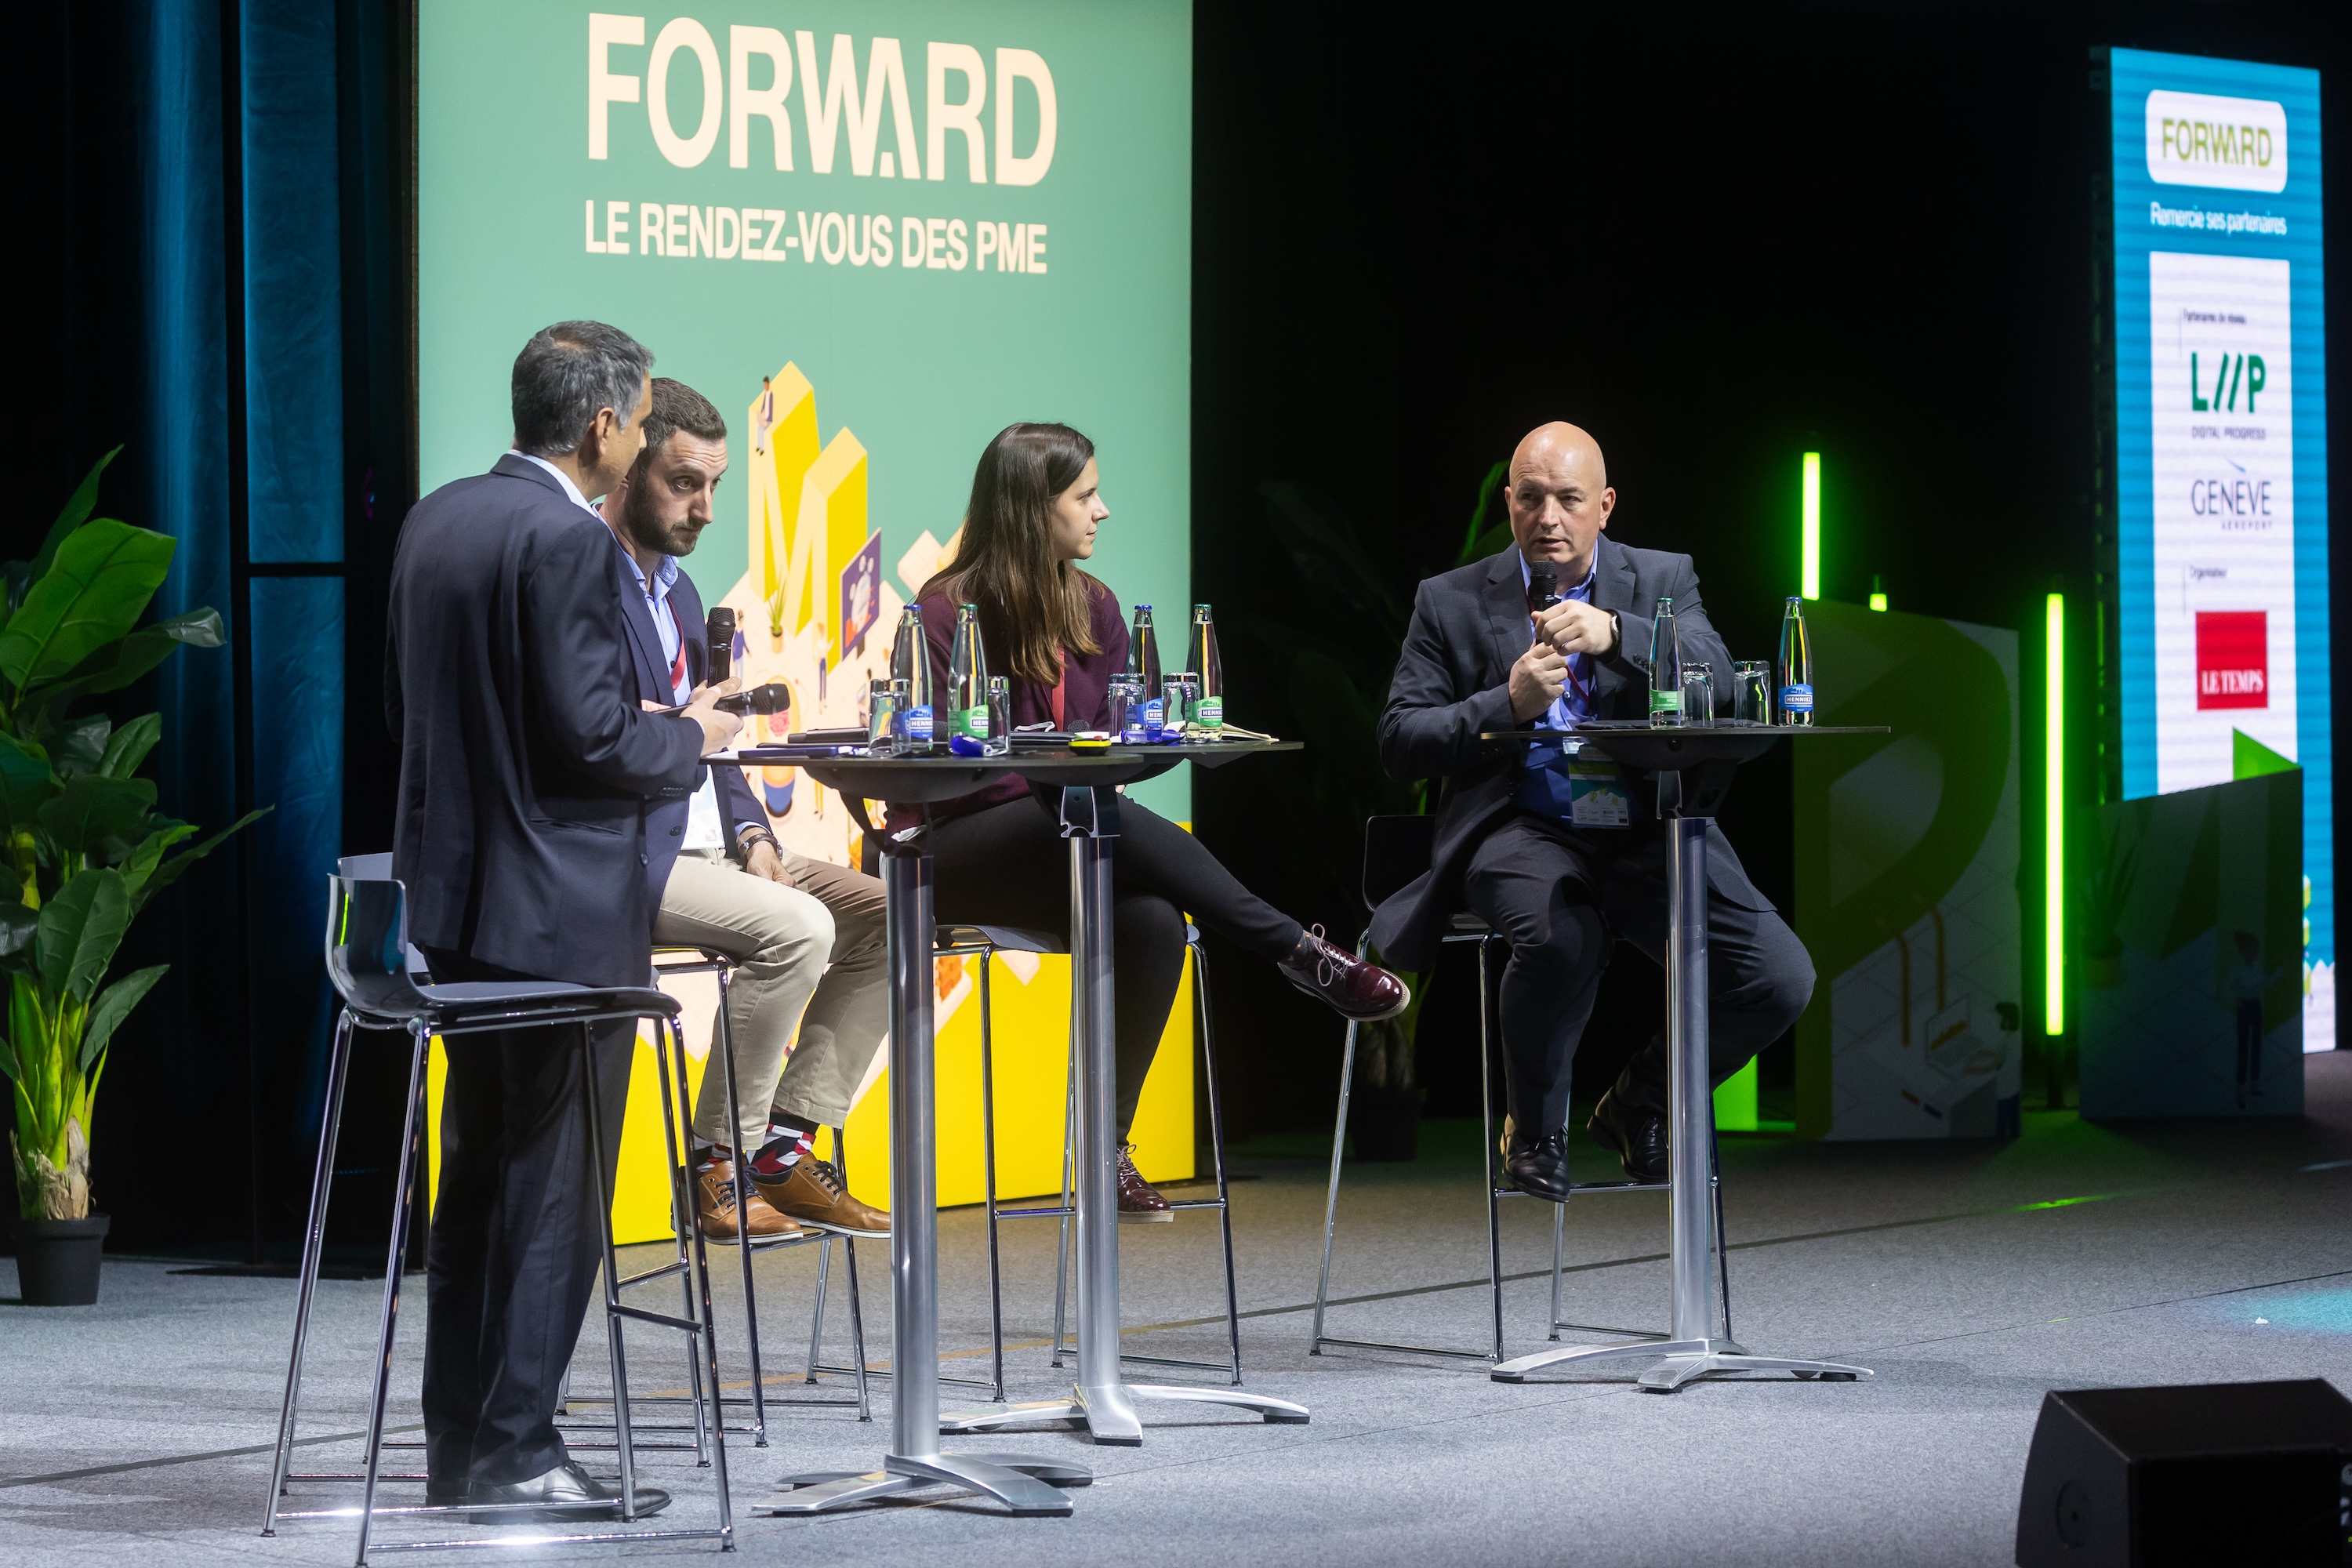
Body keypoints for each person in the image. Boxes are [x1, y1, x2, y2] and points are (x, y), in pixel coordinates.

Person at [386, 321, 742, 1520]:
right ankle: (520, 1453)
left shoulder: (437, 518)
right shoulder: (573, 539)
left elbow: (418, 712)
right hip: (560, 917)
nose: (638, 442)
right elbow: (593, 738)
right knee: (551, 1193)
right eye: (637, 424)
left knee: (479, 1177)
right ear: (601, 427)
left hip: (451, 909)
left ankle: (462, 1452)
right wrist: (694, 737)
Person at [907, 422, 1410, 1218]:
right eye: (1084, 496)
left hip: (1071, 835)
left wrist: (1160, 746)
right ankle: (1296, 949)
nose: (1101, 510)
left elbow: (1120, 743)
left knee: (1153, 922)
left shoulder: (1095, 607)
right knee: (1094, 818)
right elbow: (943, 768)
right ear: (1033, 507)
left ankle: (1103, 1151)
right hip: (962, 845)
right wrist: (1062, 779)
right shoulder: (945, 611)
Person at [1370, 421, 1813, 1200]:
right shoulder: (1450, 600)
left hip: (1645, 822)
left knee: (1777, 977)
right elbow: (1401, 740)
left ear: (1604, 505)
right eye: (1531, 498)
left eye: (1569, 500)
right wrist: (1506, 703)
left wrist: (1618, 636)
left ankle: (1644, 1099)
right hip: (1519, 824)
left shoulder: (1662, 578)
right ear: (1509, 503)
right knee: (1561, 938)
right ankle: (1535, 1131)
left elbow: (1725, 684)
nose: (1548, 518)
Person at [594, 376, 890, 1241]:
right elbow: (595, 732)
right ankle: (717, 1162)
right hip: (635, 854)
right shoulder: (581, 578)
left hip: (718, 846)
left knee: (897, 918)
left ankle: (784, 1149)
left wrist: (756, 830)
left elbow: (713, 735)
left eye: (716, 485)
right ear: (628, 469)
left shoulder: (683, 594)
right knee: (798, 928)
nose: (706, 509)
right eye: (685, 483)